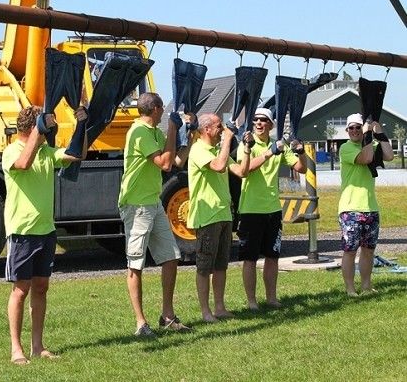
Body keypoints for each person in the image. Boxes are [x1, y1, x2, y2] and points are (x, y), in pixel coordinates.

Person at [2, 105, 88, 365]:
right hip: (22, 232)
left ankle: (37, 346)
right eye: (45, 128)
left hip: (46, 231)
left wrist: (82, 124)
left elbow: (77, 154)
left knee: (41, 288)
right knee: (21, 290)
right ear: (33, 129)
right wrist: (39, 132)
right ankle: (17, 349)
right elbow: (23, 164)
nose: (50, 133)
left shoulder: (45, 152)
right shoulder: (12, 152)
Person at [118, 92, 194, 336]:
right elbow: (164, 163)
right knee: (136, 264)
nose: (165, 114)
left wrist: (190, 136)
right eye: (163, 110)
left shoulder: (154, 133)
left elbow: (176, 162)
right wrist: (173, 129)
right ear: (156, 109)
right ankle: (141, 323)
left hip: (153, 203)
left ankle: (168, 316)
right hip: (136, 205)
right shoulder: (139, 132)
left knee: (171, 257)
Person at [236, 107, 307, 310]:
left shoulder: (279, 147)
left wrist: (299, 152)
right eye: (256, 119)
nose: (258, 123)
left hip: (273, 210)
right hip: (250, 210)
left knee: (272, 256)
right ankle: (251, 302)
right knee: (249, 259)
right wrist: (269, 153)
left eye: (263, 120)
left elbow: (301, 169)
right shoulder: (247, 144)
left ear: (271, 125)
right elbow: (246, 170)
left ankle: (271, 298)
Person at [187, 114, 252, 322]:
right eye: (218, 126)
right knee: (205, 267)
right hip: (207, 216)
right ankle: (206, 312)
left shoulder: (218, 150)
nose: (222, 129)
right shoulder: (198, 149)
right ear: (206, 129)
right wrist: (228, 140)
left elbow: (241, 172)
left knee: (221, 265)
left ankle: (220, 307)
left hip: (224, 214)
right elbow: (218, 166)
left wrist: (247, 148)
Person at [338, 113, 394, 296]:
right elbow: (366, 158)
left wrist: (379, 131)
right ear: (347, 131)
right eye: (351, 128)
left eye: (357, 127)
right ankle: (349, 288)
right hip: (350, 209)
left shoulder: (371, 143)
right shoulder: (346, 148)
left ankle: (366, 285)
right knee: (350, 250)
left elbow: (389, 155)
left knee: (368, 251)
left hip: (371, 207)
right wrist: (367, 134)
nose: (354, 131)